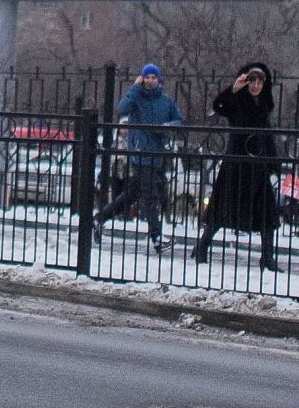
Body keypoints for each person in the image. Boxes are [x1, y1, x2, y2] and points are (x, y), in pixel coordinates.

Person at [191, 63, 280, 271]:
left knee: (267, 213)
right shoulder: (237, 100)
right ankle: (202, 247)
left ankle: (267, 258)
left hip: (258, 166)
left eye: (260, 82)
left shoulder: (265, 104)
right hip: (236, 164)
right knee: (221, 211)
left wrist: (273, 165)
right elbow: (218, 106)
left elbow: (267, 136)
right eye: (252, 81)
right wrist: (233, 88)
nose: (256, 85)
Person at [94, 64, 184, 253]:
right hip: (140, 152)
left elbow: (179, 119)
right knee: (150, 195)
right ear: (142, 79)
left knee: (132, 194)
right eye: (147, 77)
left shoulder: (166, 101)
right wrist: (135, 87)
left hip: (156, 152)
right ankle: (157, 237)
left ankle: (99, 219)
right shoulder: (137, 98)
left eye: (153, 77)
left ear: (159, 79)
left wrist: (167, 125)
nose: (150, 80)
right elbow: (122, 107)